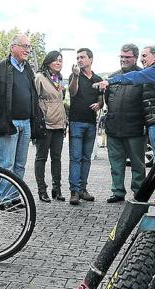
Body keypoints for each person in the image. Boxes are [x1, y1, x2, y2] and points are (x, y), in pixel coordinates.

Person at [94, 45, 155, 213]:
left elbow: (135, 76)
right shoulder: (154, 70)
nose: (142, 59)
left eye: (144, 55)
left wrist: (110, 81)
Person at [0, 34, 44, 208]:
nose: (27, 50)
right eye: (24, 46)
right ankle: (5, 199)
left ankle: (15, 197)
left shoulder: (28, 70)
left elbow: (32, 96)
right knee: (6, 164)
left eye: (29, 47)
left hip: (26, 124)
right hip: (8, 124)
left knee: (20, 165)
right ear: (12, 47)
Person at [103, 44, 146, 203]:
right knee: (116, 164)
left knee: (138, 165)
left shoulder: (143, 76)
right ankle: (118, 192)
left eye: (127, 57)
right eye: (121, 57)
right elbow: (107, 99)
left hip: (135, 128)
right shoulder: (113, 77)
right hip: (114, 127)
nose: (123, 60)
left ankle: (139, 192)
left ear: (135, 57)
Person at [68, 48, 103, 205]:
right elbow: (72, 92)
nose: (79, 60)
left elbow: (102, 100)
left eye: (82, 57)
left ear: (91, 59)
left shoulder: (98, 79)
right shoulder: (74, 76)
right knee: (75, 158)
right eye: (77, 57)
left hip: (91, 123)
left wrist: (99, 104)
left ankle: (83, 189)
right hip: (76, 122)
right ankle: (74, 191)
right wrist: (75, 76)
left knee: (86, 158)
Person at [34, 51, 67, 203]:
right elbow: (34, 100)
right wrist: (38, 120)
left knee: (57, 158)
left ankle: (57, 189)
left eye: (61, 60)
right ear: (48, 62)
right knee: (41, 158)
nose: (59, 63)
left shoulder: (59, 79)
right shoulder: (39, 78)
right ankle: (42, 190)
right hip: (45, 124)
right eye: (56, 60)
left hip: (59, 124)